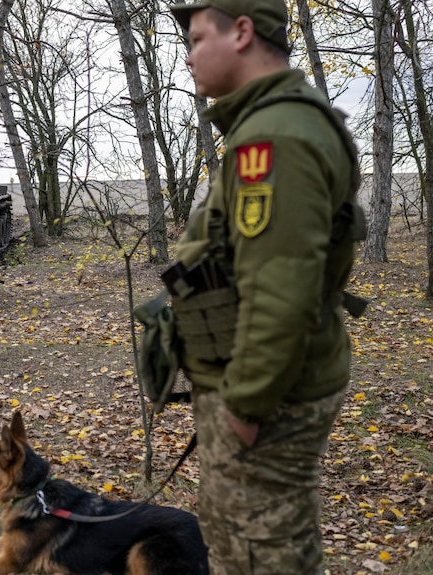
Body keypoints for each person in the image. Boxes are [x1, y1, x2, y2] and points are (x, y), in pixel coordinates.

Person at [166, 0, 365, 573]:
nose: (187, 58)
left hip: (268, 397)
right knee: (243, 545)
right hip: (267, 384)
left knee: (260, 555)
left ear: (244, 33)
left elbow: (283, 290)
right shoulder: (276, 121)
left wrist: (247, 403)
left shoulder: (275, 137)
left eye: (198, 38)